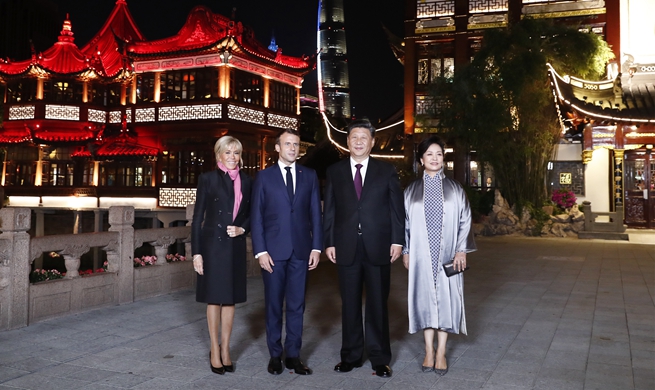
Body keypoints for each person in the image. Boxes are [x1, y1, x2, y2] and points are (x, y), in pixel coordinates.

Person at [323, 119, 405, 378]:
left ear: (372, 142)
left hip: (379, 245)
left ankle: (380, 358)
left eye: (363, 138)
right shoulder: (335, 171)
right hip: (346, 246)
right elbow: (331, 210)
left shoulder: (387, 170)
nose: (358, 141)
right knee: (349, 304)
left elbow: (396, 209)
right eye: (354, 137)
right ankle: (350, 356)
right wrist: (329, 242)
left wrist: (397, 240)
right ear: (347, 141)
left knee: (378, 304)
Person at [402, 136, 476, 376]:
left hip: (448, 255)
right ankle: (428, 351)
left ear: (444, 158)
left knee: (447, 300)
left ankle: (441, 351)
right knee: (424, 299)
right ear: (421, 159)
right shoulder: (411, 190)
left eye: (439, 154)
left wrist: (461, 249)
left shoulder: (455, 188)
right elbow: (404, 224)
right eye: (429, 154)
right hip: (421, 254)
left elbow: (465, 219)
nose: (434, 158)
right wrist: (406, 249)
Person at [251, 129, 323, 376]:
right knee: (273, 305)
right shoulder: (264, 177)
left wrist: (316, 247)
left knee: (297, 305)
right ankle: (274, 355)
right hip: (272, 251)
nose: (292, 148)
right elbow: (256, 217)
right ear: (278, 148)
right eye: (287, 144)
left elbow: (316, 213)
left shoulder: (310, 175)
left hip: (301, 251)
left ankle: (293, 355)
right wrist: (260, 251)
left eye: (296, 144)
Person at [192, 136, 251, 375]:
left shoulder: (248, 181)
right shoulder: (208, 179)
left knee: (230, 299)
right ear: (219, 155)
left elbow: (251, 214)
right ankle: (213, 350)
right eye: (227, 152)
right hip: (212, 247)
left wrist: (243, 228)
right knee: (214, 299)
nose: (232, 157)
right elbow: (197, 218)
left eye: (236, 153)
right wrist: (196, 253)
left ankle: (225, 348)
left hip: (235, 246)